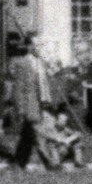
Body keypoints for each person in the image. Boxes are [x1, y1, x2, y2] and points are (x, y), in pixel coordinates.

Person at [8, 34, 55, 170]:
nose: (40, 48)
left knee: (28, 136)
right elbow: (19, 88)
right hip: (29, 105)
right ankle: (48, 162)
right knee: (35, 134)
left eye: (41, 45)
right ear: (29, 47)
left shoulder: (40, 63)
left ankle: (18, 162)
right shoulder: (23, 63)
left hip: (39, 104)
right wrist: (20, 109)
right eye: (37, 45)